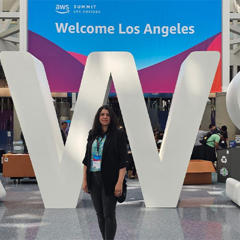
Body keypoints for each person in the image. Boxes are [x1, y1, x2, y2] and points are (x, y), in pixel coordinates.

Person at [82, 105, 127, 240]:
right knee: (99, 214)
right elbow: (86, 159)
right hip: (94, 179)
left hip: (110, 179)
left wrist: (119, 183)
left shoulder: (118, 134)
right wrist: (84, 180)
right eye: (102, 114)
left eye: (107, 114)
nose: (105, 117)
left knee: (109, 214)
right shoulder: (92, 134)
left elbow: (123, 161)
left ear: (111, 117)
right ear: (98, 117)